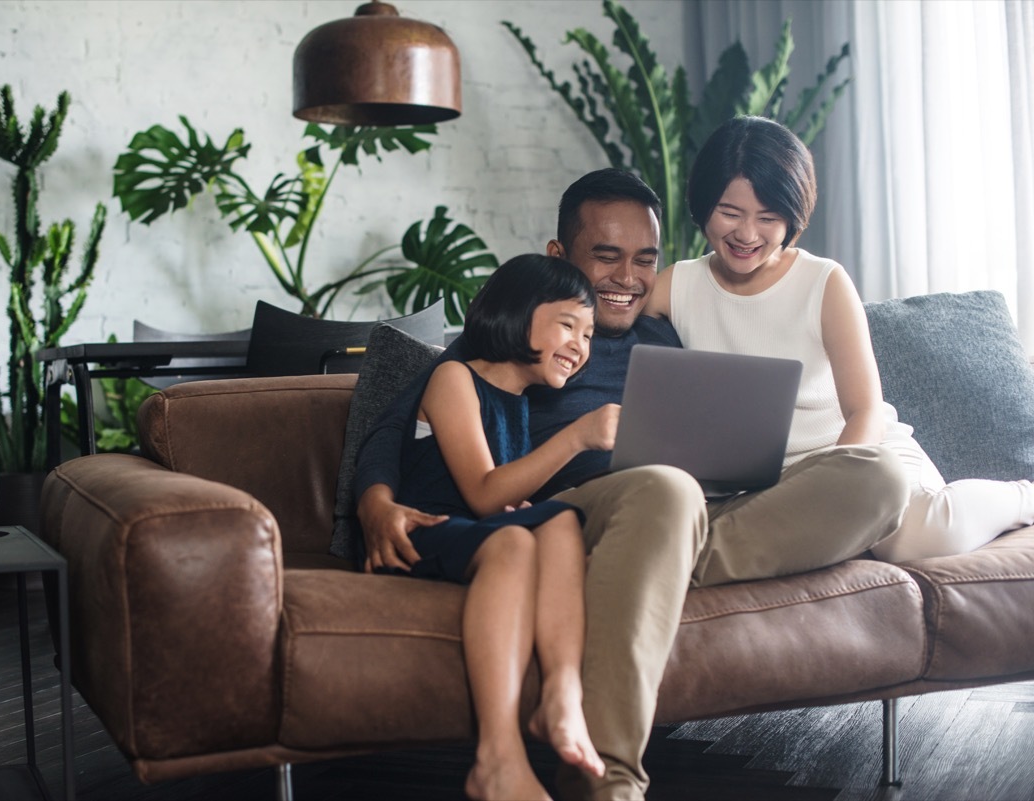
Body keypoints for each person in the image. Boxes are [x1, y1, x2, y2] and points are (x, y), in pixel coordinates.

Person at [355, 168, 909, 801]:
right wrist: (375, 500)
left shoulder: (662, 329)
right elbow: (395, 420)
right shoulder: (526, 337)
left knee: (877, 476)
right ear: (559, 258)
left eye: (645, 260)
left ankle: (653, 563)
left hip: (691, 511)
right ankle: (610, 780)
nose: (627, 280)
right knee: (665, 490)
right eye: (607, 258)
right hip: (577, 514)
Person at [647, 114, 1034, 563]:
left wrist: (837, 486)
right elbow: (601, 324)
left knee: (909, 538)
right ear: (702, 204)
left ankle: (1024, 496)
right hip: (767, 483)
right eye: (729, 213)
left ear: (792, 217)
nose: (747, 234)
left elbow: (865, 410)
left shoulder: (822, 281)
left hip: (861, 456)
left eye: (768, 218)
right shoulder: (677, 286)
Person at [368, 253, 612, 801]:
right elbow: (481, 492)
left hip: (470, 535)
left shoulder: (518, 401)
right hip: (424, 532)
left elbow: (503, 496)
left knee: (561, 523)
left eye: (590, 334)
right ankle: (496, 760)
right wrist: (576, 436)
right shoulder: (454, 377)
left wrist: (522, 509)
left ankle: (561, 696)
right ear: (517, 312)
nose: (580, 344)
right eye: (568, 324)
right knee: (515, 543)